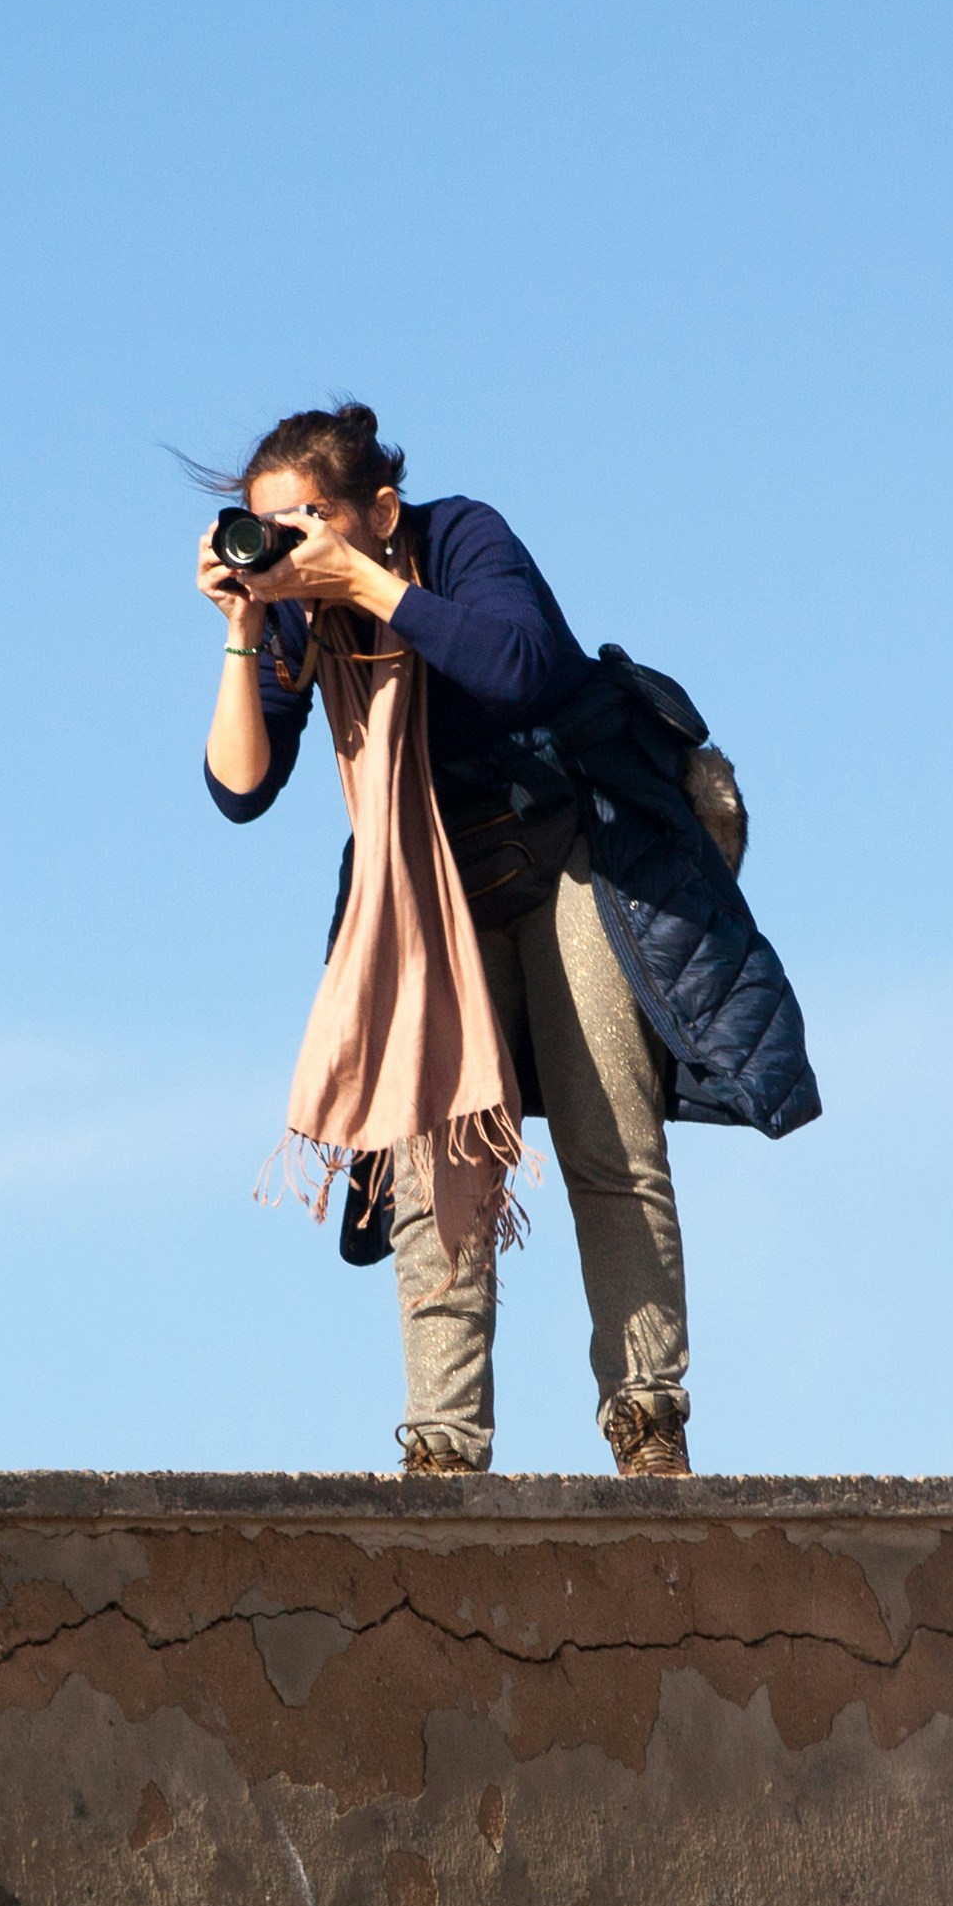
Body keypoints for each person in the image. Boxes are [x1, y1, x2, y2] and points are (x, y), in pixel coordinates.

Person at [196, 401, 816, 1479]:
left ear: (379, 510)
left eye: (312, 519)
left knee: (604, 1129)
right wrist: (244, 622)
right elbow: (238, 789)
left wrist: (377, 588)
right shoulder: (295, 613)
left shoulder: (458, 538)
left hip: (572, 846)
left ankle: (646, 1419)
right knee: (435, 1154)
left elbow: (522, 663)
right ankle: (443, 1447)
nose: (293, 544)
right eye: (269, 527)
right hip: (431, 886)